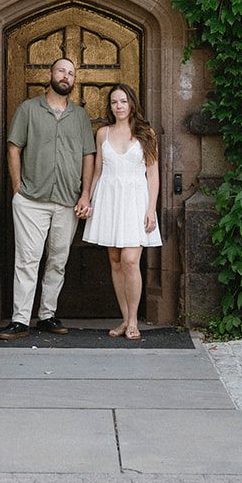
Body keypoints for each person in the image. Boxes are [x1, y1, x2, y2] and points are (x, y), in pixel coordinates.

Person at [0, 57, 96, 340]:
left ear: (74, 81)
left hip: (68, 201)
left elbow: (88, 156)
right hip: (31, 199)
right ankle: (20, 320)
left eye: (71, 73)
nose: (66, 76)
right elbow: (14, 148)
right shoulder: (28, 109)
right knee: (27, 260)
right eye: (61, 71)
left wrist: (86, 194)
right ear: (50, 74)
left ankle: (47, 315)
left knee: (58, 260)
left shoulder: (79, 116)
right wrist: (17, 188)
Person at [82, 84, 161, 340]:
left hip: (136, 201)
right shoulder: (102, 133)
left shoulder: (146, 133)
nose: (119, 106)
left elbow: (153, 175)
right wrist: (88, 199)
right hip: (109, 200)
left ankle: (134, 320)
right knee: (115, 261)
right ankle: (125, 319)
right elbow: (97, 172)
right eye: (115, 102)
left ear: (132, 104)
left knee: (129, 260)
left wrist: (151, 209)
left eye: (123, 101)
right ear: (111, 106)